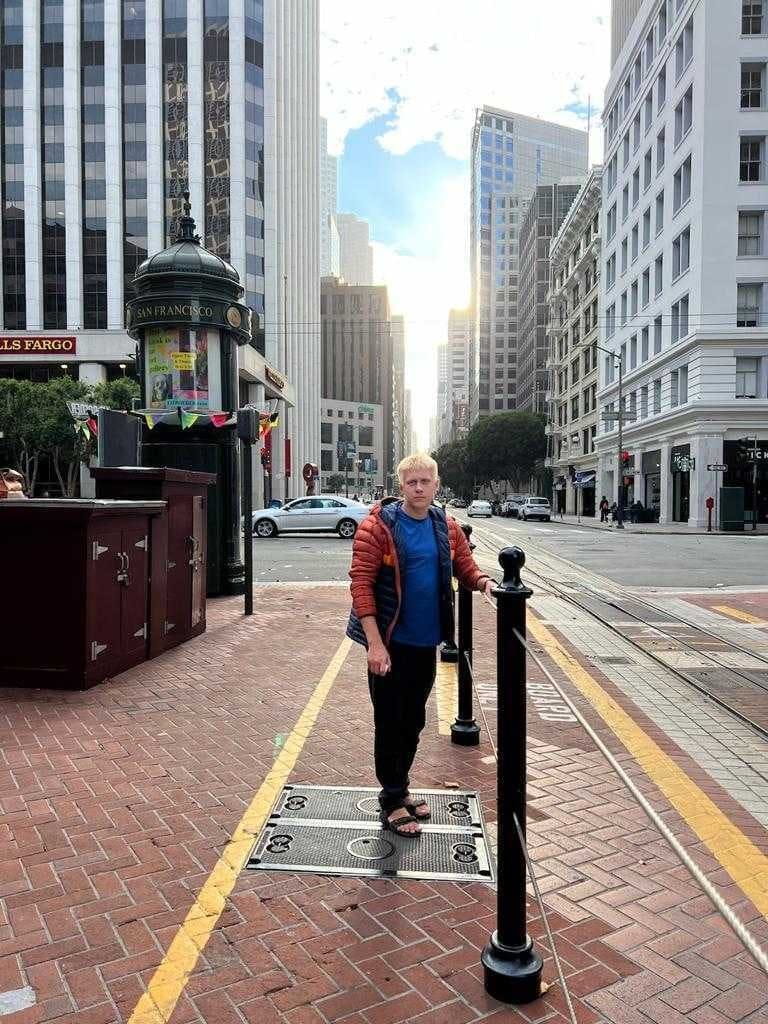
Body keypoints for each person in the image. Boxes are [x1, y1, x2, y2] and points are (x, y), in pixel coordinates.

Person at [347, 453, 496, 838]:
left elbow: (464, 566)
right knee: (390, 722)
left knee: (414, 721)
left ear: (435, 485)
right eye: (411, 482)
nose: (418, 488)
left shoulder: (445, 525)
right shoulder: (378, 526)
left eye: (424, 482)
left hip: (425, 642)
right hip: (390, 642)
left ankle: (400, 786)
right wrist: (374, 645)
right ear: (401, 486)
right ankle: (392, 799)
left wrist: (484, 583)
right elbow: (361, 585)